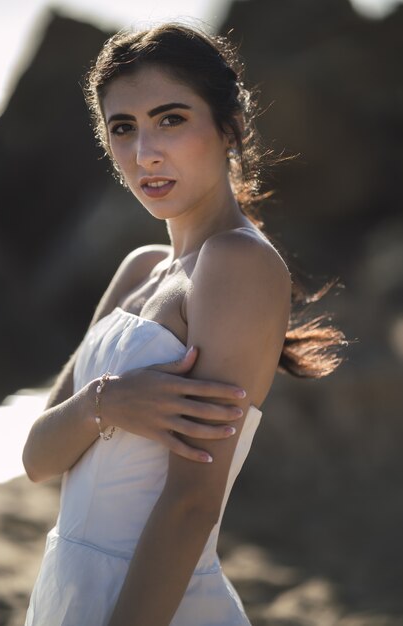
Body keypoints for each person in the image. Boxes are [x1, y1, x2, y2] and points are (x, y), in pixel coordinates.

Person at [22, 23, 346, 626]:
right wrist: (107, 402)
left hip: (154, 599)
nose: (145, 153)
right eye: (124, 128)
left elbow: (193, 505)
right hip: (68, 582)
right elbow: (38, 457)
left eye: (170, 119)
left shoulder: (238, 263)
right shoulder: (139, 268)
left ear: (231, 127)